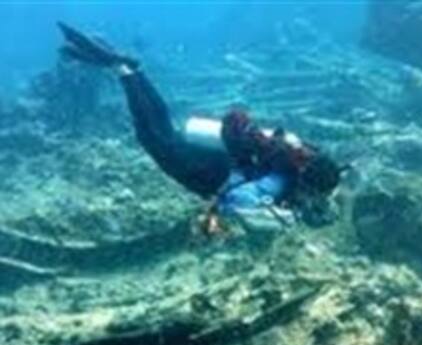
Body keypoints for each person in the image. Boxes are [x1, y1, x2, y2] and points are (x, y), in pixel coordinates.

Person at [57, 22, 341, 235]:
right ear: (311, 185)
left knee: (166, 133)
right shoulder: (281, 181)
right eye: (317, 198)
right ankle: (124, 71)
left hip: (221, 162)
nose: (314, 202)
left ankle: (133, 72)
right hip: (212, 175)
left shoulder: (294, 169)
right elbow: (238, 199)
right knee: (154, 138)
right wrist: (279, 219)